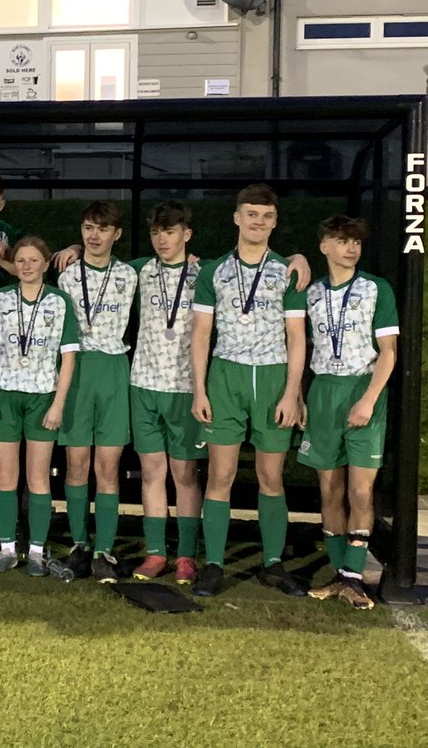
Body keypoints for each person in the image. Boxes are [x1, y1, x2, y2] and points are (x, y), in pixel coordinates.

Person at [190, 184, 307, 598]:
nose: (258, 222)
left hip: (273, 378)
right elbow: (201, 334)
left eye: (266, 216)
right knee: (220, 474)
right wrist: (199, 390)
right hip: (226, 377)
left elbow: (297, 337)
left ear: (274, 222)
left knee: (270, 477)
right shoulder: (213, 271)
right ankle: (215, 565)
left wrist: (293, 392)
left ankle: (273, 564)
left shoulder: (290, 271)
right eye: (251, 214)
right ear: (236, 218)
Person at [303, 216, 398, 611]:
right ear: (324, 245)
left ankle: (355, 576)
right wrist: (303, 397)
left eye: (356, 241)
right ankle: (340, 573)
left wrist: (368, 400)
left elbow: (389, 351)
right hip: (324, 391)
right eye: (342, 241)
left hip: (363, 391)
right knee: (330, 489)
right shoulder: (309, 293)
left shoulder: (376, 289)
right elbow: (305, 348)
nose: (351, 248)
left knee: (360, 490)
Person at [0, 236, 79, 574]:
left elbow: (67, 359)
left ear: (45, 263)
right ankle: (7, 549)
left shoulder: (60, 301)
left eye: (33, 260)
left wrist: (58, 404)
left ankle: (36, 551)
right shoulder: (0, 299)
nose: (26, 266)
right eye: (20, 260)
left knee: (38, 478)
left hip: (42, 397)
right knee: (6, 477)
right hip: (5, 395)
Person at [54, 200, 137, 583]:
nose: (94, 235)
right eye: (88, 227)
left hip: (113, 370)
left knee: (107, 467)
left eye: (103, 229)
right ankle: (78, 545)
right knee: (76, 465)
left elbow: (177, 264)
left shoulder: (133, 274)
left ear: (116, 234)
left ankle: (105, 547)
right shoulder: (67, 272)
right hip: (76, 369)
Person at [123, 201, 205, 584]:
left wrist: (298, 256)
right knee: (152, 473)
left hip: (185, 387)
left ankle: (186, 555)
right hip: (143, 383)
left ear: (186, 234)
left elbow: (250, 260)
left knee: (185, 474)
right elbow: (98, 259)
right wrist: (73, 250)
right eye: (156, 232)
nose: (162, 240)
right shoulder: (140, 270)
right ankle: (156, 553)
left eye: (170, 232)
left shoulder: (204, 273)